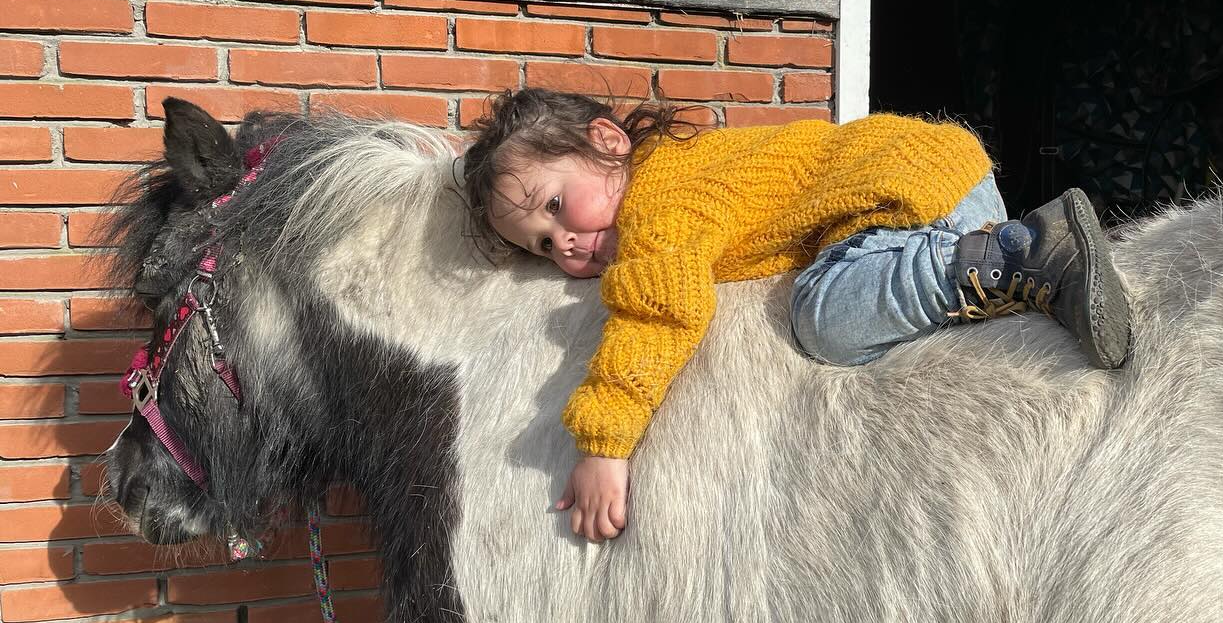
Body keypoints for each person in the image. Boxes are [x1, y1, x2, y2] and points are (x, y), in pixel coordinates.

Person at [462, 89, 1131, 542]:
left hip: (903, 190)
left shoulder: (657, 203)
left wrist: (603, 445)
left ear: (608, 143)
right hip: (937, 171)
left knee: (821, 316)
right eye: (544, 248)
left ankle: (1016, 257)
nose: (568, 245)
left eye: (555, 208)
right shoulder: (674, 175)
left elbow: (659, 312)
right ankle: (998, 272)